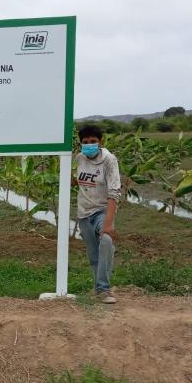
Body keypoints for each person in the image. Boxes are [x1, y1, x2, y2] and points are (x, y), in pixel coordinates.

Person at [74, 124, 121, 303]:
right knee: (93, 255)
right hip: (83, 213)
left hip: (102, 211)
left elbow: (114, 192)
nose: (89, 144)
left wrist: (108, 223)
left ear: (100, 142)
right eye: (85, 142)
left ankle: (104, 289)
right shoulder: (79, 159)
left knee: (107, 241)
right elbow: (78, 180)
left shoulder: (109, 160)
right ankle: (98, 290)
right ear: (81, 144)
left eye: (93, 141)